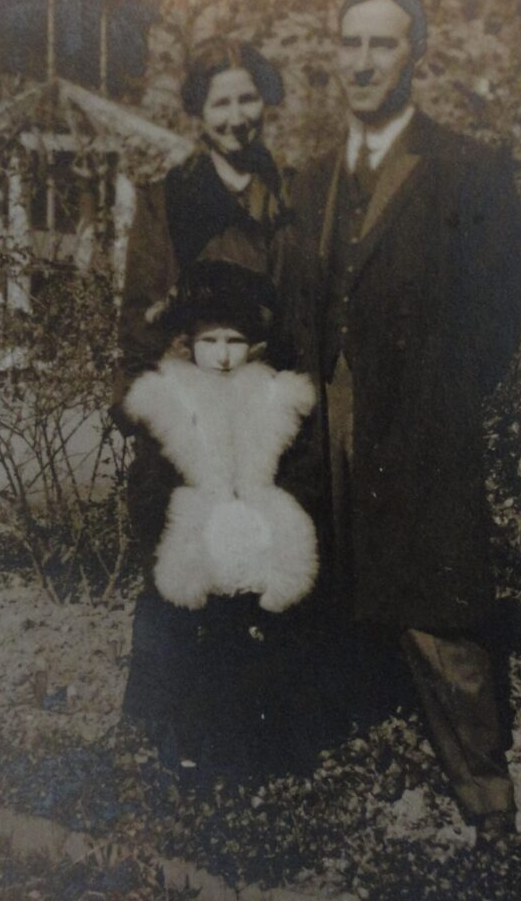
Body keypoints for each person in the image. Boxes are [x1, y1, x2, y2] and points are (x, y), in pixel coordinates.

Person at [283, 0, 521, 841]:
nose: (361, 61)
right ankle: (326, 763)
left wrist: (437, 408)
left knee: (438, 609)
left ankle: (487, 803)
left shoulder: (468, 168)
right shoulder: (311, 181)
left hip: (421, 428)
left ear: (414, 53)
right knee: (317, 586)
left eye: (381, 45)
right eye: (349, 43)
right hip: (326, 423)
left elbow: (498, 318)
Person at [119, 260, 348, 784]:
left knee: (260, 652)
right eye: (210, 340)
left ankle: (261, 751)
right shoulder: (169, 399)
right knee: (195, 652)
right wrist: (181, 521)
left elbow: (304, 476)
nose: (222, 357)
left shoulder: (275, 397)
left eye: (235, 341)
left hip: (260, 541)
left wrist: (272, 517)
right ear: (188, 341)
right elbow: (149, 484)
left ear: (255, 345)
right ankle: (191, 748)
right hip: (196, 540)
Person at [114, 36, 293, 404]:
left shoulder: (295, 196)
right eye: (221, 104)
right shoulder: (165, 202)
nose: (237, 119)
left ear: (266, 101)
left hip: (274, 412)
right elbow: (137, 326)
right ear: (199, 111)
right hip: (189, 415)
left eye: (248, 100)